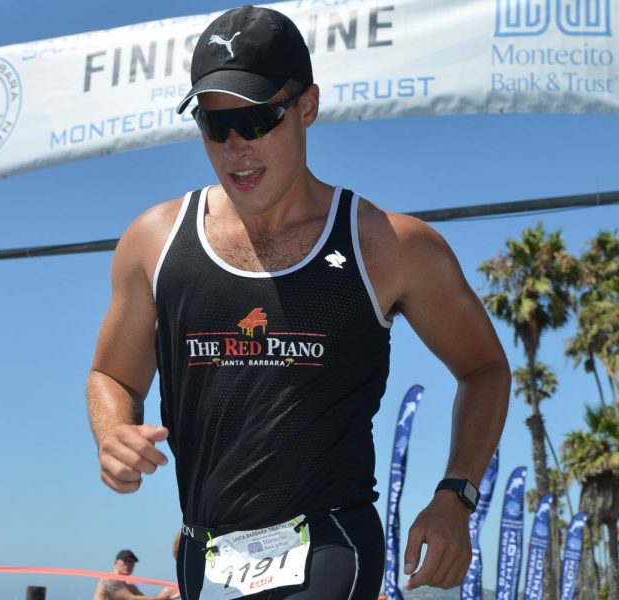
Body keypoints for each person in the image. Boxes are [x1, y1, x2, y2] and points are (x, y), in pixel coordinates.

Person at [87, 5, 510, 599]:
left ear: (307, 106)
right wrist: (113, 434)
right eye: (215, 125)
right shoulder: (153, 242)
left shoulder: (389, 246)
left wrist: (455, 497)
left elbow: (485, 368)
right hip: (206, 555)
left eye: (257, 119)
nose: (235, 146)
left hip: (330, 543)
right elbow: (112, 374)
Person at [93, 549, 179, 600]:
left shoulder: (130, 585)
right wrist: (163, 596)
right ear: (116, 563)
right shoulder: (109, 580)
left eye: (131, 562)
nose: (129, 564)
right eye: (125, 561)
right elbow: (132, 598)